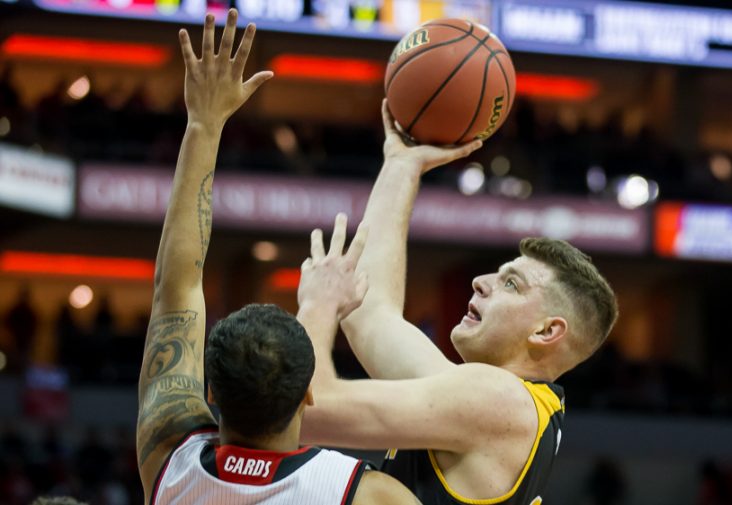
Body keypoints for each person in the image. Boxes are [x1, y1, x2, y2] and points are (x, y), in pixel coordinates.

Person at [136, 10, 420, 505]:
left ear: (212, 394)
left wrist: (204, 124)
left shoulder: (168, 459)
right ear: (310, 394)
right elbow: (174, 289)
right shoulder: (366, 494)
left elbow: (175, 287)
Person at [299, 102, 618, 504]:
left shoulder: (496, 400)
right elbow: (369, 313)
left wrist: (316, 307)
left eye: (511, 284)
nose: (480, 282)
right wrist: (401, 166)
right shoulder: (501, 402)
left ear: (546, 331)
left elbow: (308, 412)